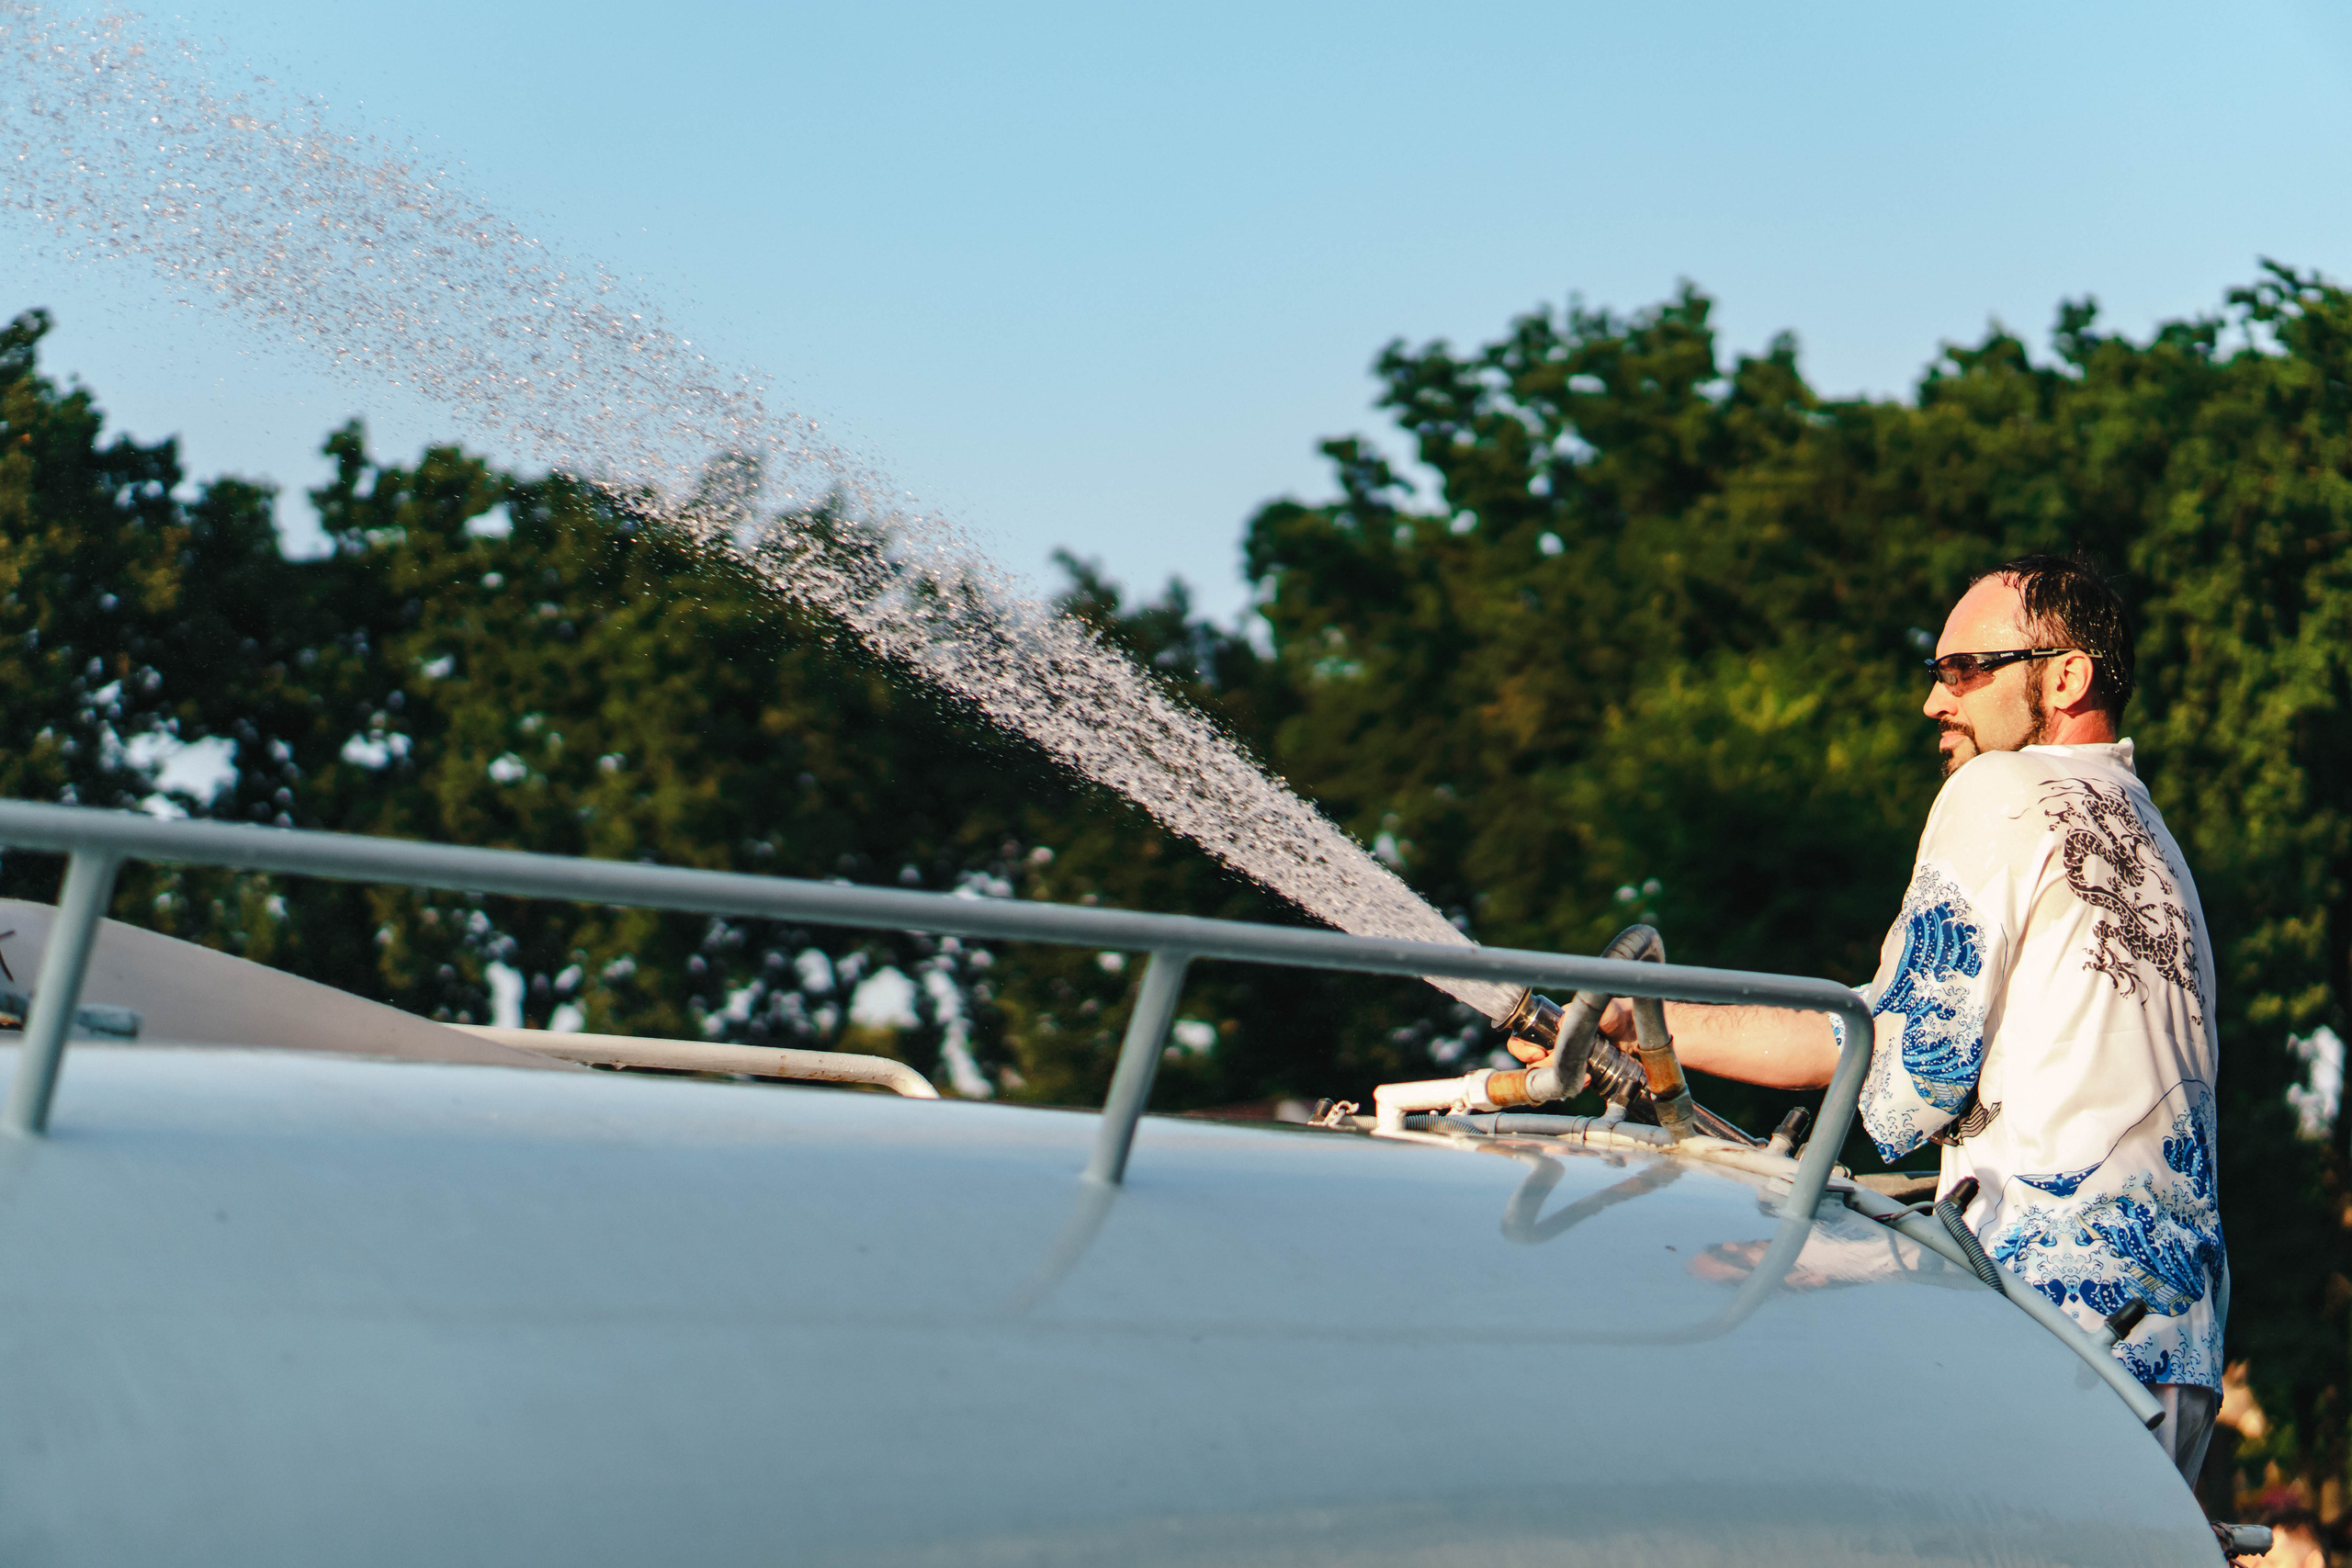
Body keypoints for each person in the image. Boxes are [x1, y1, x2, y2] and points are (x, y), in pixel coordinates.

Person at [1555, 556, 2228, 1483]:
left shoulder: (2001, 789)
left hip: (2048, 1340)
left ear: (2066, 676)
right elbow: (1889, 1029)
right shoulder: (2151, 837)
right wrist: (1650, 1028)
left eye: (1966, 670)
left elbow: (1912, 1076)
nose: (1934, 702)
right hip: (2173, 1350)